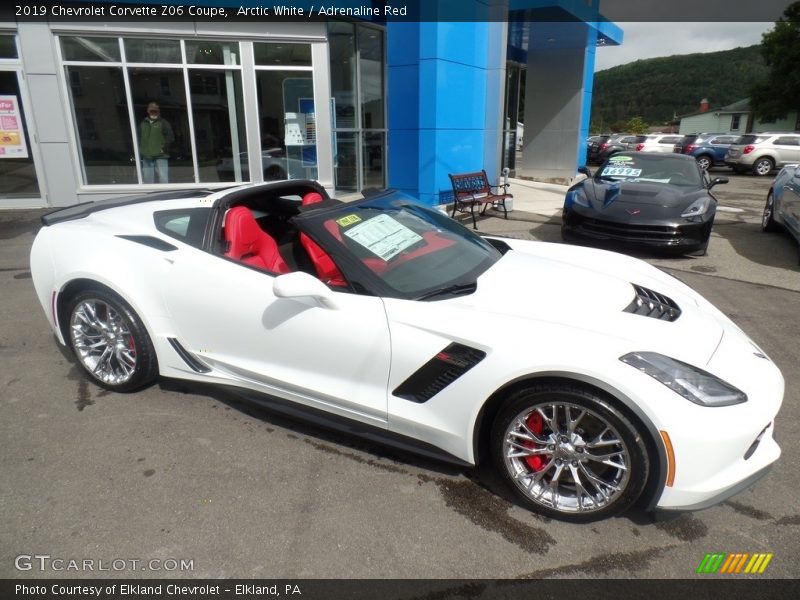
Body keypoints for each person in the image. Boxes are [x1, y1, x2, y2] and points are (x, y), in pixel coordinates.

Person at [139, 102, 174, 183]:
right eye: (152, 111)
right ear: (148, 111)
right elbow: (138, 137)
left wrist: (164, 148)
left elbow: (170, 137)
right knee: (147, 178)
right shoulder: (143, 123)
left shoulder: (163, 123)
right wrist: (140, 150)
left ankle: (164, 194)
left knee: (163, 178)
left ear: (158, 111)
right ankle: (149, 194)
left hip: (161, 155)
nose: (153, 113)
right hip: (146, 155)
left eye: (155, 111)